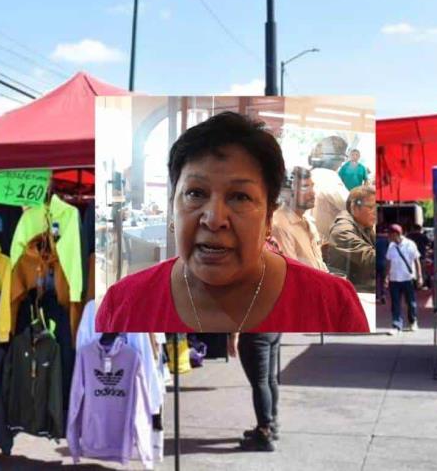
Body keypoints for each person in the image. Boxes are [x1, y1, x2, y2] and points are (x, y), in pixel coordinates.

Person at [95, 112, 369, 333]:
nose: (214, 219)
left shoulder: (333, 305)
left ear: (269, 219)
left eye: (240, 197)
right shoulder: (123, 305)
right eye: (195, 193)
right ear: (172, 207)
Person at [227, 332, 280, 452]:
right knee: (269, 379)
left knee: (260, 382)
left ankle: (264, 433)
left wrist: (234, 335)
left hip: (255, 332)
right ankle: (271, 424)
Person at [270, 167, 327, 271]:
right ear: (286, 193)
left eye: (312, 187)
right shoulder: (280, 225)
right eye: (305, 188)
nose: (312, 193)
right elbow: (293, 273)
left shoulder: (308, 221)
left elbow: (319, 265)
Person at [325, 186, 377, 293]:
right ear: (354, 208)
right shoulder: (342, 230)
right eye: (371, 207)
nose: (375, 212)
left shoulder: (363, 224)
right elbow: (370, 257)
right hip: (351, 291)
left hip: (361, 287)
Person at [309, 136, 350, 243]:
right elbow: (352, 208)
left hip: (313, 240)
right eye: (343, 156)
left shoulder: (313, 174)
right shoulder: (329, 178)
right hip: (325, 244)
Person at [385, 224, 423, 333]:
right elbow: (388, 261)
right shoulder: (391, 246)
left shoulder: (410, 244)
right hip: (394, 279)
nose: (388, 236)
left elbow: (417, 261)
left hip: (408, 279)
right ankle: (397, 325)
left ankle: (413, 322)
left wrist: (419, 277)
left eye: (390, 234)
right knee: (395, 303)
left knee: (411, 302)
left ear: (396, 234)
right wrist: (386, 276)